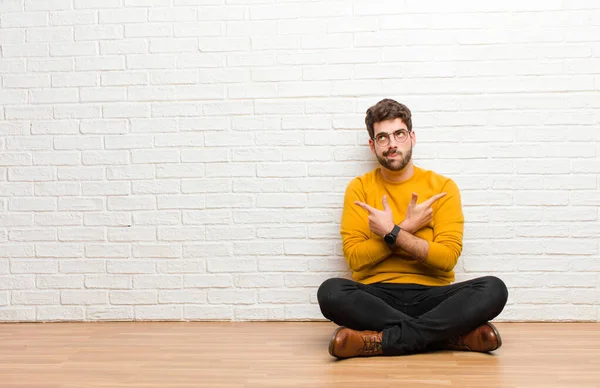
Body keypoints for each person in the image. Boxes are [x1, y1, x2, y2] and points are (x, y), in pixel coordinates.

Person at [317, 98, 508, 359]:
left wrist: (393, 233)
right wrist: (405, 228)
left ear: (412, 137)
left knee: (494, 289)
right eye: (382, 137)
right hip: (377, 296)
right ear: (372, 145)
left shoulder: (442, 187)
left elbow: (447, 259)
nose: (392, 143)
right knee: (330, 292)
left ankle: (379, 341)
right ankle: (448, 335)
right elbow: (355, 259)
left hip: (434, 295)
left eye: (399, 134)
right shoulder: (359, 188)